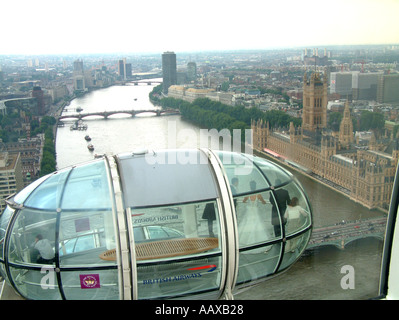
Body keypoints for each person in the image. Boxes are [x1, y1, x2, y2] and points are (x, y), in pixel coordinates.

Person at [239, 181, 271, 251]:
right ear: (255, 186)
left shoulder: (248, 194)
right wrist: (263, 202)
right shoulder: (258, 195)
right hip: (255, 211)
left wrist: (248, 202)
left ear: (250, 186)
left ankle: (244, 241)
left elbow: (244, 201)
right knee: (257, 225)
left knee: (246, 225)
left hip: (249, 211)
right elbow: (263, 202)